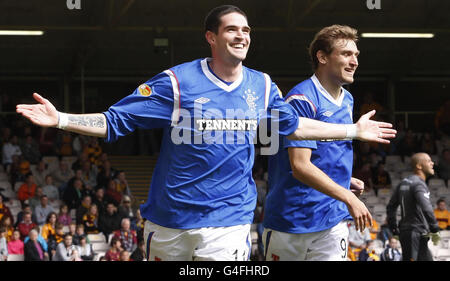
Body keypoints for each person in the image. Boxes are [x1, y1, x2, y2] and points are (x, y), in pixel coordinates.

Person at [16, 5, 395, 261]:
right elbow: (116, 121)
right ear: (211, 38)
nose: (242, 36)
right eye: (232, 29)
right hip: (169, 222)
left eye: (246, 30)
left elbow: (294, 125)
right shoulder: (177, 82)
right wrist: (63, 119)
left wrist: (353, 130)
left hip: (229, 222)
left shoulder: (262, 87)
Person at [263, 25, 373, 261]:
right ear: (322, 57)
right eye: (346, 54)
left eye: (356, 55)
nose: (354, 61)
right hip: (292, 221)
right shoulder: (302, 99)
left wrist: (344, 179)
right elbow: (300, 166)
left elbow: (325, 152)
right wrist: (348, 196)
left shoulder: (347, 99)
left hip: (332, 218)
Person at [386, 152, 441, 261]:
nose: (432, 163)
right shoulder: (418, 184)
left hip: (413, 233)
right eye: (429, 161)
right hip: (415, 232)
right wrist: (435, 229)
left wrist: (394, 228)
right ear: (419, 166)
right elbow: (427, 208)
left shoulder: (403, 183)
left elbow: (391, 207)